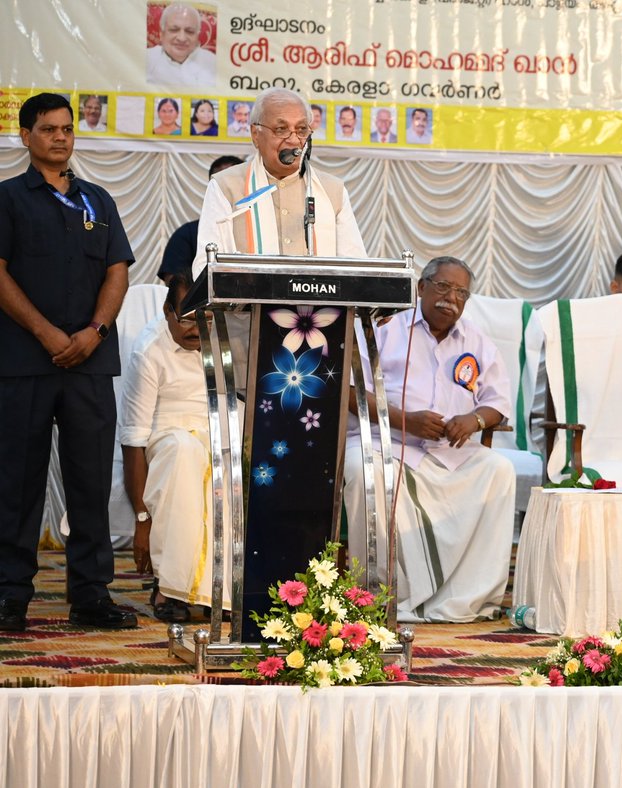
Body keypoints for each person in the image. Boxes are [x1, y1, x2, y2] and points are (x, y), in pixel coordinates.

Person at [0, 92, 137, 630]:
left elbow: (117, 269)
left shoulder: (97, 201)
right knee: (17, 481)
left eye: (67, 128)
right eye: (49, 129)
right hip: (23, 362)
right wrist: (48, 332)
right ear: (26, 136)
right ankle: (10, 595)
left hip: (90, 364)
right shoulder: (8, 198)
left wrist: (96, 331)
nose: (60, 137)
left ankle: (90, 595)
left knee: (89, 482)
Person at [343, 256, 515, 622]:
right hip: (383, 442)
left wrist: (474, 419)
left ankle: (467, 597)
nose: (450, 298)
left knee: (499, 470)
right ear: (421, 287)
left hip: (447, 453)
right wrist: (405, 421)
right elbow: (347, 389)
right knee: (363, 470)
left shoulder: (477, 341)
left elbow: (498, 402)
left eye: (460, 292)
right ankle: (375, 593)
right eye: (442, 287)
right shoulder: (383, 328)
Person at [120, 273, 217, 621]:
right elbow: (133, 438)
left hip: (214, 428)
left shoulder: (221, 340)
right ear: (167, 312)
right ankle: (170, 589)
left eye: (204, 318)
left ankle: (214, 592)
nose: (196, 329)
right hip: (165, 435)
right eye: (187, 319)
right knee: (184, 451)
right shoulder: (149, 350)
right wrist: (142, 519)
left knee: (226, 457)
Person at [192, 87, 366, 279]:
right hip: (247, 308)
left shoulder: (332, 190)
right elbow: (205, 267)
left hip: (321, 309)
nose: (293, 140)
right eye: (281, 129)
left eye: (301, 130)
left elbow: (355, 268)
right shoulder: (226, 186)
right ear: (255, 134)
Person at [157, 155, 243, 283]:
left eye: (235, 184)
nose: (229, 190)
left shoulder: (262, 228)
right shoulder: (186, 234)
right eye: (222, 185)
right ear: (211, 189)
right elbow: (173, 282)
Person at [145, 2, 217, 87]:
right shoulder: (146, 59)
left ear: (197, 36)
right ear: (161, 34)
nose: (182, 38)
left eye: (189, 31)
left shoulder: (213, 62)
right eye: (174, 30)